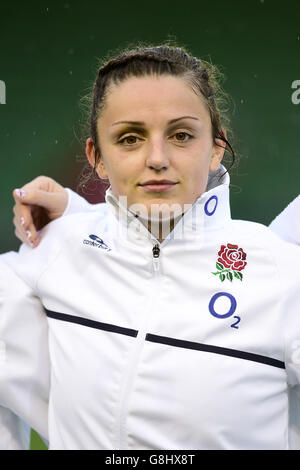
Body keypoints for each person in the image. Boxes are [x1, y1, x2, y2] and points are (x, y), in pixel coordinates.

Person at [1, 42, 300, 450]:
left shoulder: (283, 275)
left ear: (216, 148)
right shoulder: (55, 251)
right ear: (97, 157)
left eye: (181, 135)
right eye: (129, 138)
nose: (157, 158)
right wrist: (77, 215)